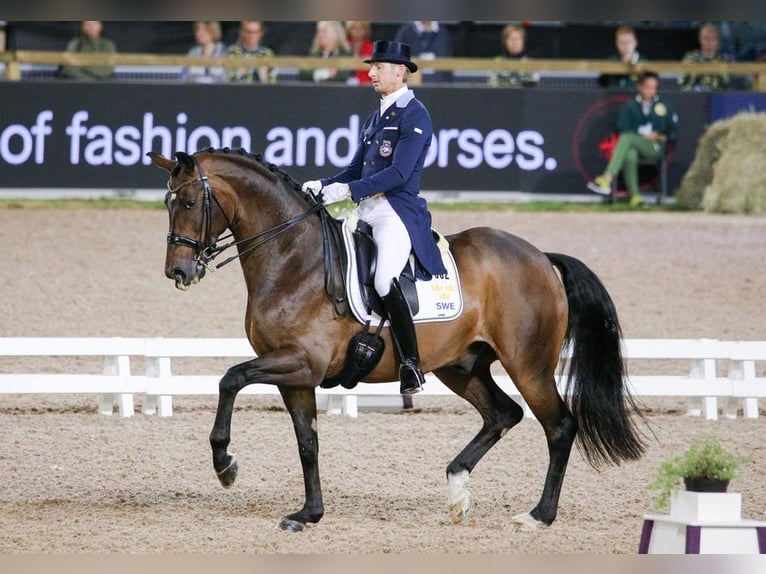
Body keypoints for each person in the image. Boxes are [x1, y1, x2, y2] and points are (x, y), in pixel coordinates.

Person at [301, 40, 446, 395]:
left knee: (383, 279)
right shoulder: (376, 116)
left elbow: (398, 174)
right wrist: (324, 184)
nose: (371, 73)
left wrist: (350, 192)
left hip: (396, 212)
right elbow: (355, 169)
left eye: (378, 67)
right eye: (372, 67)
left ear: (400, 72)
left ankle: (411, 364)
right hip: (365, 210)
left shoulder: (415, 115)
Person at [587, 70, 678, 207]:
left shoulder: (663, 105)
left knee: (627, 138)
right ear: (640, 87)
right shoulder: (630, 105)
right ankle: (635, 197)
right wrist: (642, 135)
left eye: (654, 87)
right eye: (648, 87)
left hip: (655, 147)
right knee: (630, 153)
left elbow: (673, 131)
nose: (651, 91)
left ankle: (607, 178)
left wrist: (659, 136)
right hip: (636, 144)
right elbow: (622, 126)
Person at [678, 22, 733, 91]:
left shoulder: (725, 60)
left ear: (717, 41)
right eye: (706, 38)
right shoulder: (690, 58)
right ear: (700, 40)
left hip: (719, 97)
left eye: (712, 39)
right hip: (693, 96)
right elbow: (681, 82)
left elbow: (729, 84)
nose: (709, 42)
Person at [598, 25, 646, 90]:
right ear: (617, 44)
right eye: (622, 42)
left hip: (633, 98)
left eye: (629, 42)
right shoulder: (611, 61)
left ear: (635, 42)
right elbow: (602, 82)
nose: (626, 46)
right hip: (613, 98)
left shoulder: (644, 62)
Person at [345, 20, 373, 85]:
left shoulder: (371, 48)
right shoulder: (343, 46)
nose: (357, 31)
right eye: (354, 28)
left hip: (364, 85)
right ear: (349, 29)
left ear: (366, 30)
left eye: (361, 28)